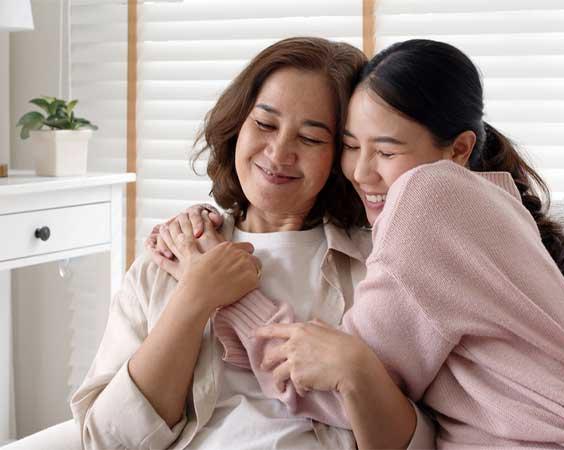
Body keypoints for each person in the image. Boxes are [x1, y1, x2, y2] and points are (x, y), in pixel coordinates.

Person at [153, 40, 564, 449]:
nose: (362, 172)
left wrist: (216, 286)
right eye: (350, 146)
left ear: (458, 149)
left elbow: (336, 387)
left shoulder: (427, 196)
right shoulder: (489, 202)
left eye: (386, 151)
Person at [70, 37, 435, 450]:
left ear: (341, 155)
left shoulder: (381, 267)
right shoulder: (171, 254)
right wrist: (194, 298)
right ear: (237, 124)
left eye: (311, 138)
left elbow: (423, 440)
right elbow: (106, 441)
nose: (278, 153)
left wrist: (356, 370)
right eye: (264, 124)